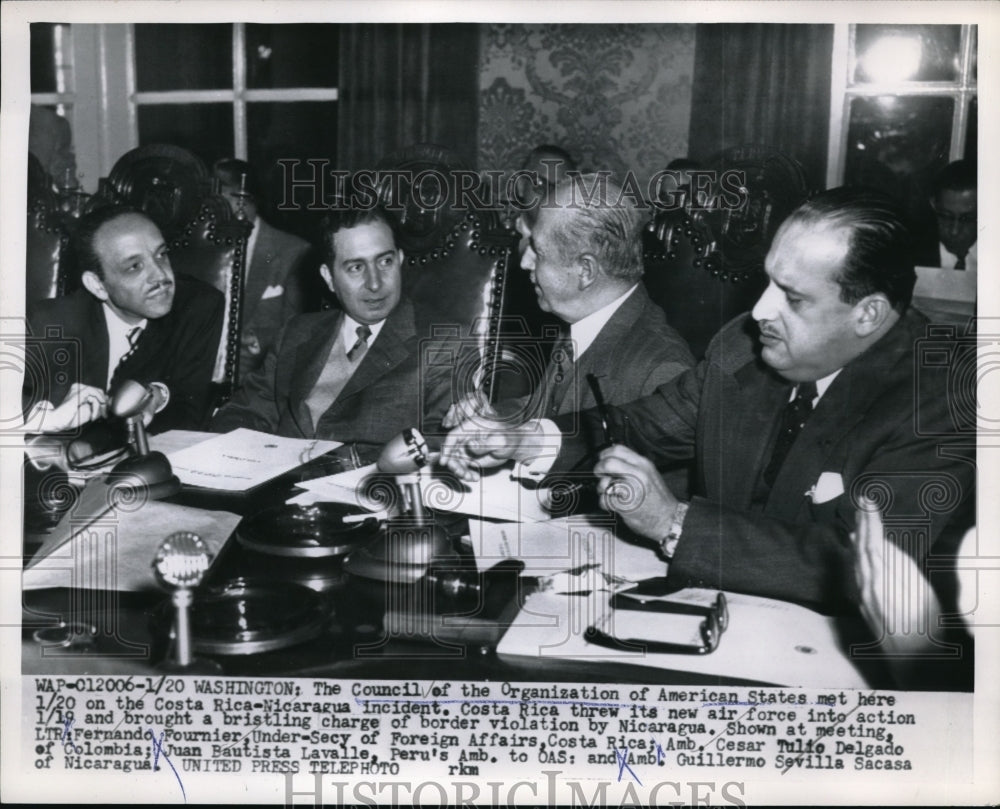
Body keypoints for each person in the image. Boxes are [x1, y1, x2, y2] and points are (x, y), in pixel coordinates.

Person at [441, 187, 975, 616]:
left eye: (792, 298)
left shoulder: (941, 401)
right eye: (768, 283)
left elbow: (860, 568)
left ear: (868, 315)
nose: (760, 311)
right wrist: (522, 437)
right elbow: (640, 424)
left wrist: (673, 521)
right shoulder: (743, 349)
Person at [211, 205, 452, 460]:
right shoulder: (298, 332)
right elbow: (245, 412)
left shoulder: (443, 343)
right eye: (356, 268)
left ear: (400, 260)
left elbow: (442, 443)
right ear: (329, 278)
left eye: (385, 261)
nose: (375, 283)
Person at [450, 174, 693, 425]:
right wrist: (497, 416)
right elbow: (554, 410)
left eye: (539, 252)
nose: (525, 262)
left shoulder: (660, 372)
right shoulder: (586, 319)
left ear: (585, 271)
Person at [24, 206, 225, 434]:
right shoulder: (52, 321)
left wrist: (158, 395)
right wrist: (47, 419)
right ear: (98, 285)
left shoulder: (197, 306)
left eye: (161, 254)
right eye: (134, 267)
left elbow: (190, 411)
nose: (161, 275)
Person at [212, 158, 312, 378]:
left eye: (219, 198)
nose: (210, 208)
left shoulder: (293, 252)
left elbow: (299, 332)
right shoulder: (203, 249)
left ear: (244, 199)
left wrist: (258, 342)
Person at [929, 159, 977, 271]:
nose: (954, 230)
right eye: (946, 216)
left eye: (967, 219)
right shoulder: (909, 255)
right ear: (933, 204)